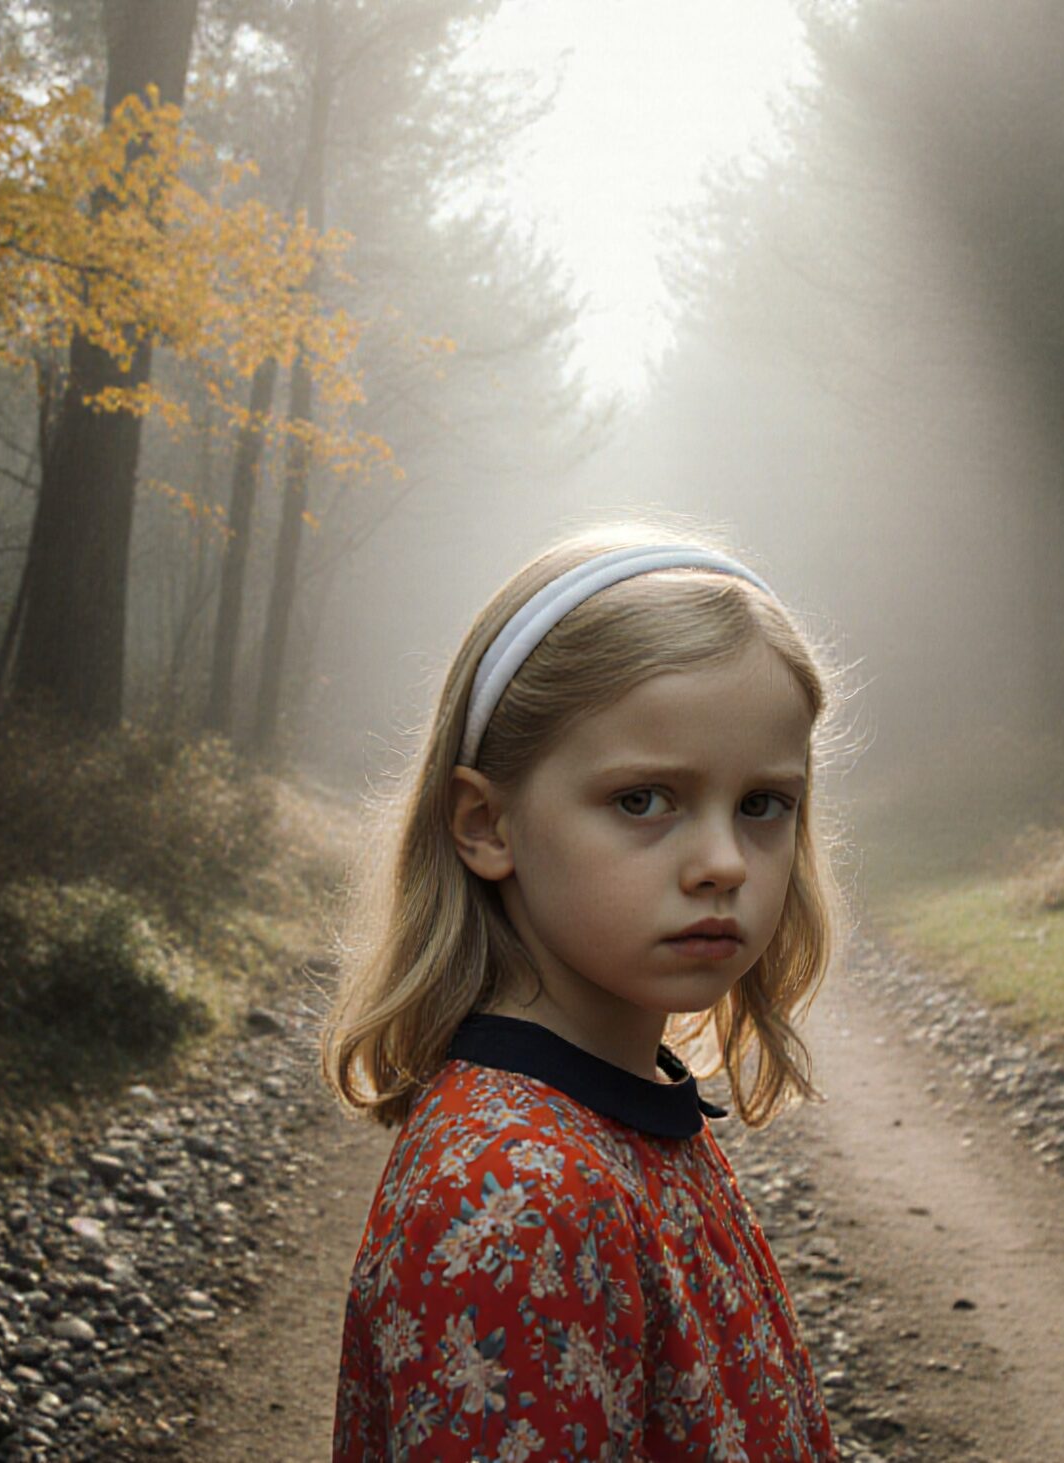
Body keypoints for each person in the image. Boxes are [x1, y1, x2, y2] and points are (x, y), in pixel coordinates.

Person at [320, 524, 845, 1460]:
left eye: (764, 803)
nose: (724, 861)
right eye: (644, 799)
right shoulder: (521, 1195)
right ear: (487, 823)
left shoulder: (617, 1103)